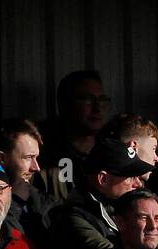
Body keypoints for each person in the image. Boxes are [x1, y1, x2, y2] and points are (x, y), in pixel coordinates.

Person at [48, 137, 156, 249]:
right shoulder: (73, 217)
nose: (137, 184)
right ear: (103, 179)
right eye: (130, 177)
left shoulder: (113, 207)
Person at [37, 70, 109, 202]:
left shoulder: (112, 148)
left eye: (101, 100)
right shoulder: (41, 150)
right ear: (65, 104)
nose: (97, 108)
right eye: (88, 100)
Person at [0, 118, 56, 242]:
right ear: (2, 158)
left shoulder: (46, 204)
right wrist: (15, 201)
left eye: (36, 157)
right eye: (28, 158)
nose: (36, 167)